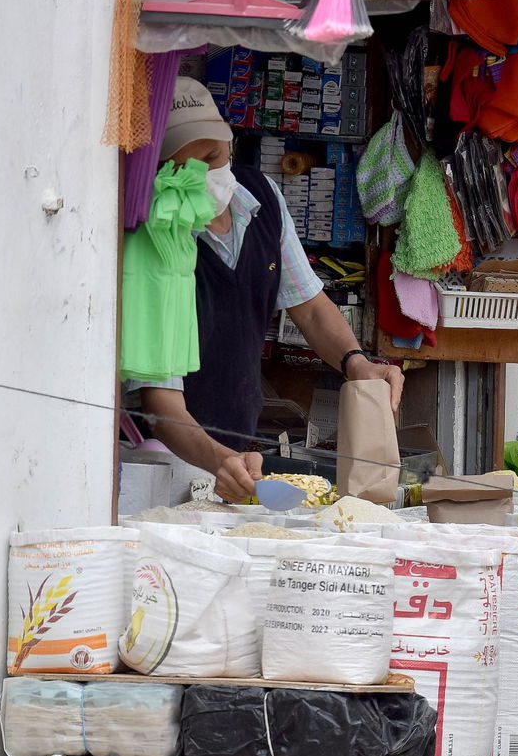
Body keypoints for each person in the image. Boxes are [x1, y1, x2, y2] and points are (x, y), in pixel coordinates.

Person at [125, 78, 402, 503]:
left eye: (213, 157)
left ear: (231, 144)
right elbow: (161, 405)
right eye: (185, 168)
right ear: (160, 173)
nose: (205, 175)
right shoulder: (158, 236)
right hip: (161, 454)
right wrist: (218, 460)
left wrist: (356, 363)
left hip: (235, 446)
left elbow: (309, 307)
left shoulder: (263, 198)